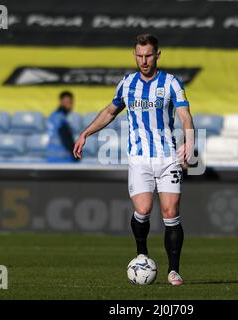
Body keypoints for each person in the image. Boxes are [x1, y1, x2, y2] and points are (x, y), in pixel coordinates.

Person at [73, 34, 195, 286]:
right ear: (134, 55)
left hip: (167, 157)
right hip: (139, 159)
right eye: (139, 56)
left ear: (157, 54)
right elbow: (110, 111)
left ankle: (174, 270)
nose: (144, 60)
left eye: (148, 55)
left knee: (170, 212)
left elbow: (184, 116)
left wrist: (190, 140)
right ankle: (142, 253)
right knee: (143, 210)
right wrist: (86, 132)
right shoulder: (127, 84)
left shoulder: (171, 83)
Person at [46, 91, 78, 162]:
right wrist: (76, 155)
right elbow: (66, 138)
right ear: (61, 102)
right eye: (67, 102)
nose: (69, 105)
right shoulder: (61, 118)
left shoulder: (53, 116)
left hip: (51, 158)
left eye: (70, 102)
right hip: (63, 159)